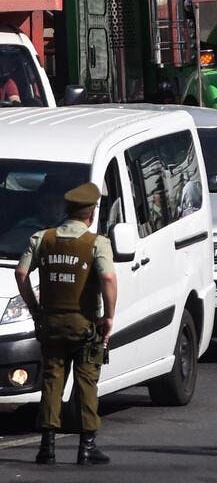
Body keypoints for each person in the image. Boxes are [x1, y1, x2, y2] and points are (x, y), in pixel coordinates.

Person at [15, 183, 116, 466]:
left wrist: (34, 308)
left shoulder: (42, 238)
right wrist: (108, 316)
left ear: (67, 210)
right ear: (91, 214)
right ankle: (87, 447)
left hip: (51, 323)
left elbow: (21, 272)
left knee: (52, 380)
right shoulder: (97, 243)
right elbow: (107, 278)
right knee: (86, 382)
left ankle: (46, 447)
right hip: (84, 324)